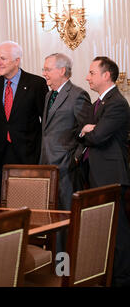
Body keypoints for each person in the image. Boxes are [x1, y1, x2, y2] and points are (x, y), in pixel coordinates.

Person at [80, 56, 130, 287]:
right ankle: (107, 275)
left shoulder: (117, 103)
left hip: (110, 176)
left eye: (91, 73)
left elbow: (97, 136)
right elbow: (84, 132)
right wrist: (89, 130)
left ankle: (122, 278)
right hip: (94, 173)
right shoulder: (97, 103)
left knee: (117, 230)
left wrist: (90, 130)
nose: (87, 77)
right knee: (104, 228)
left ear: (106, 75)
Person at [0, 41, 48, 205]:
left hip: (28, 153)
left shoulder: (36, 84)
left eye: (3, 58)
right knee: (5, 202)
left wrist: (41, 152)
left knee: (29, 201)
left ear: (17, 60)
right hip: (1, 154)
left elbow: (46, 121)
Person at [40, 53, 91, 211]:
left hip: (67, 169)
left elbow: (86, 131)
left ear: (62, 71)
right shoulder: (49, 95)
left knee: (68, 215)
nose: (44, 73)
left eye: (47, 69)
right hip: (47, 165)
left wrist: (75, 160)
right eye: (44, 69)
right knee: (52, 215)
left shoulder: (78, 95)